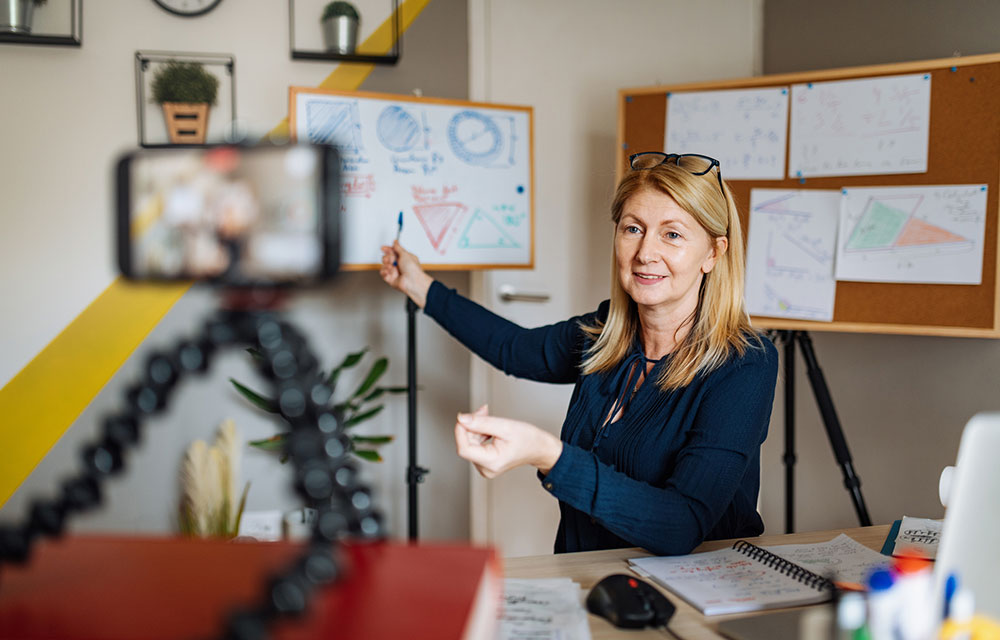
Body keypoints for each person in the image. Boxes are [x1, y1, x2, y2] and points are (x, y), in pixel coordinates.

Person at [379, 152, 778, 556]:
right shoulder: (605, 333)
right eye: (633, 228)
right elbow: (513, 350)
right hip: (592, 578)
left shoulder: (745, 362)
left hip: (696, 594)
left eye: (672, 234)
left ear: (713, 252)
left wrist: (546, 453)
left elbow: (680, 525)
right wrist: (419, 285)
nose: (645, 252)